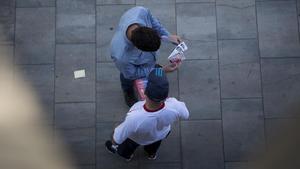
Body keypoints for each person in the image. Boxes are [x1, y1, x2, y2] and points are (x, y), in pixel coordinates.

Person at [105, 68, 189, 161]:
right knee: (153, 146)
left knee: (127, 149)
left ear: (144, 92)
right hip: (161, 135)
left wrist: (114, 139)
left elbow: (118, 138)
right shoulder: (174, 105)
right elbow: (186, 114)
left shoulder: (135, 117)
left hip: (137, 139)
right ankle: (151, 155)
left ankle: (128, 156)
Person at [110, 6, 182, 107]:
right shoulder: (122, 57)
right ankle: (128, 92)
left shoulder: (141, 12)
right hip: (131, 71)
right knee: (126, 79)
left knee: (153, 68)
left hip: (146, 64)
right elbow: (132, 74)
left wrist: (168, 36)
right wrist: (160, 70)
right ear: (137, 48)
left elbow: (155, 24)